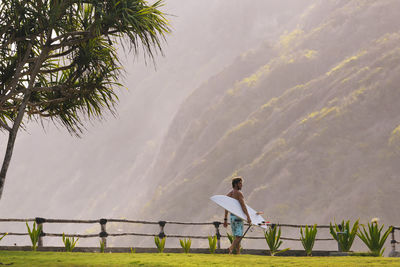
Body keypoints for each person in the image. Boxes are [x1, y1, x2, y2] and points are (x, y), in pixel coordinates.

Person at [223, 176, 251, 254]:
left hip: (232, 217)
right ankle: (230, 248)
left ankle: (238, 253)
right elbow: (243, 206)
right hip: (238, 217)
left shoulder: (230, 194)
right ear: (236, 184)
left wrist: (225, 219)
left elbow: (226, 207)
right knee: (239, 236)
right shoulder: (239, 193)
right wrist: (248, 217)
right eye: (240, 183)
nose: (241, 185)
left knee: (237, 237)